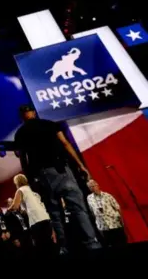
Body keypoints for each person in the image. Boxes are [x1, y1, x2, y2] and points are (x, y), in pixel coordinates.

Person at [15, 105, 101, 253]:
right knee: (79, 209)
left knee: (55, 213)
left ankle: (64, 247)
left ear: (22, 116)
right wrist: (80, 165)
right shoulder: (50, 124)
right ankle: (92, 243)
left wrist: (30, 180)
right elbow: (66, 143)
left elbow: (23, 158)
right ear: (34, 113)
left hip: (42, 176)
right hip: (61, 169)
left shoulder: (21, 133)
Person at [8, 174, 56, 258]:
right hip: (46, 218)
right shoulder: (33, 191)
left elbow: (15, 206)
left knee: (41, 247)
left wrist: (8, 210)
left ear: (17, 182)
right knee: (50, 244)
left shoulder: (20, 190)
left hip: (36, 220)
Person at [86, 180, 126, 247]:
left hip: (114, 223)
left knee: (120, 242)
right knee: (110, 244)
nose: (92, 188)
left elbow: (117, 208)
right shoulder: (89, 198)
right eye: (90, 187)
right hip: (102, 225)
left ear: (97, 185)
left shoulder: (107, 195)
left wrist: (122, 221)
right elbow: (92, 211)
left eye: (93, 185)